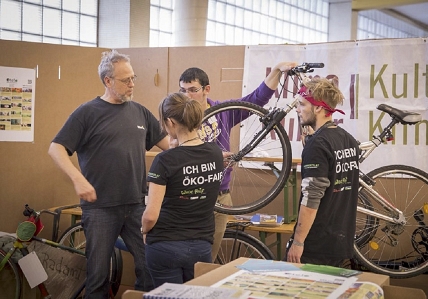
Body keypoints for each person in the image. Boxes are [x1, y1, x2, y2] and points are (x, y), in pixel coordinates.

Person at [48, 49, 170, 298]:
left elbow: (171, 147)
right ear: (108, 81)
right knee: (98, 277)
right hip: (100, 208)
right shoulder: (87, 113)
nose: (132, 84)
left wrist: (201, 149)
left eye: (133, 78)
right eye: (126, 80)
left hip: (136, 205)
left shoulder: (140, 112)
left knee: (149, 267)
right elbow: (55, 148)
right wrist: (78, 179)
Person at [178, 62, 298, 261]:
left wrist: (276, 70)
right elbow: (176, 155)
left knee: (207, 258)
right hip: (191, 196)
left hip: (221, 197)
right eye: (182, 91)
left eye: (192, 90)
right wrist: (215, 158)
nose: (187, 96)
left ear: (206, 89)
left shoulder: (223, 111)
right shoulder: (179, 118)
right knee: (187, 256)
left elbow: (257, 98)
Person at [141, 92, 224, 287]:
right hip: (201, 247)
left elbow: (151, 215)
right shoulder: (216, 153)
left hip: (165, 246)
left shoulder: (164, 160)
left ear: (170, 122)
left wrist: (144, 230)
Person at [285, 77, 360, 267]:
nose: (297, 109)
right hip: (341, 243)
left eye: (302, 104)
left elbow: (312, 198)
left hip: (316, 246)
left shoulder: (318, 145)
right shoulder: (348, 139)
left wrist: (298, 242)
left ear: (318, 108)